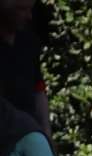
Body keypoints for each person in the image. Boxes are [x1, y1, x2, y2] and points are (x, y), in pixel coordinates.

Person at [0, 0, 51, 138]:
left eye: (30, 10)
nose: (29, 16)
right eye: (23, 10)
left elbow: (38, 89)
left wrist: (46, 132)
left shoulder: (29, 41)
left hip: (28, 135)